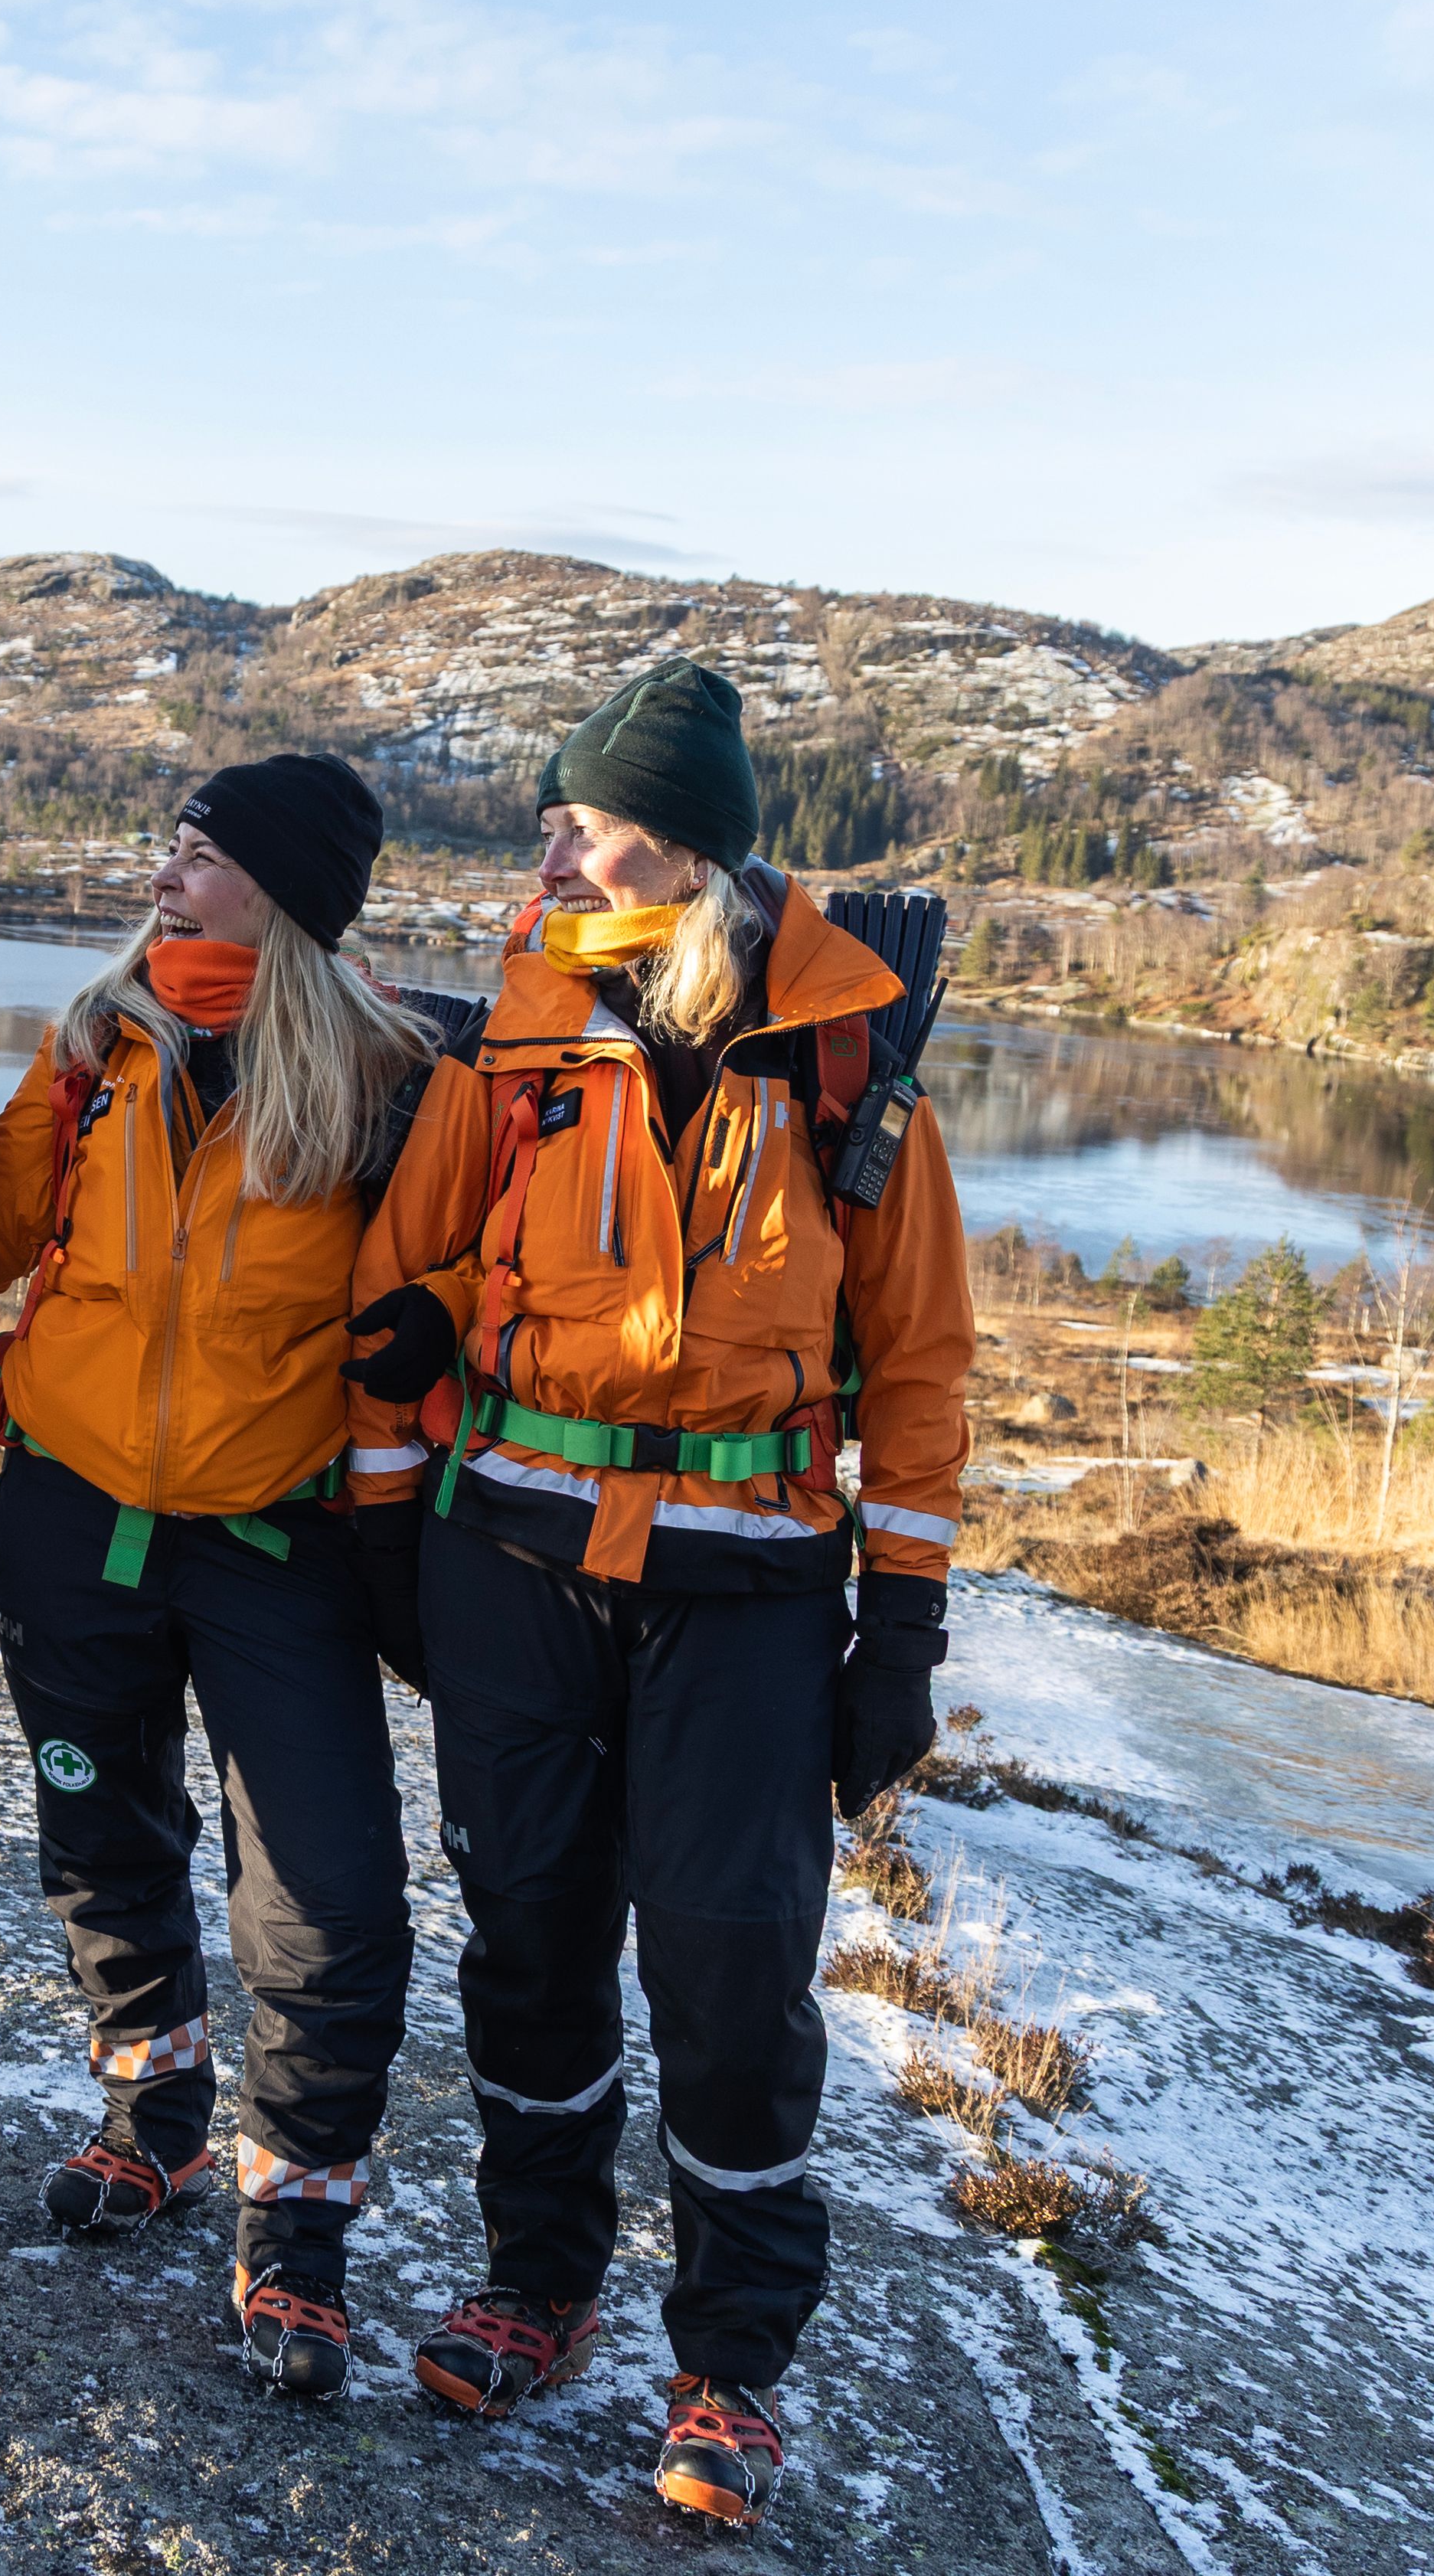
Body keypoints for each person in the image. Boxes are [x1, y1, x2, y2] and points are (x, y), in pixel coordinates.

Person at [341, 660, 969, 2525]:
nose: (553, 840)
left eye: (585, 815)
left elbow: (918, 1364)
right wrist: (394, 1530)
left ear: (679, 844)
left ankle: (731, 2365)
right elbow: (421, 1272)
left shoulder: (849, 1059)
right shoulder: (519, 1041)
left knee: (730, 1965)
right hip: (517, 1560)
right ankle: (539, 2284)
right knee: (528, 1936)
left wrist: (906, 1626)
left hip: (754, 1591)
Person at [0, 754, 483, 2398]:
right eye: (174, 844)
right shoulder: (100, 1040)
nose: (169, 872)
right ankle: (155, 2122)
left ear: (290, 895)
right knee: (103, 1843)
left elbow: (475, 1268)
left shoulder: (398, 1079)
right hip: (68, 1516)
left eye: (203, 852)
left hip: (280, 1546)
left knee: (325, 1903)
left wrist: (456, 1308)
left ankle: (299, 2233)